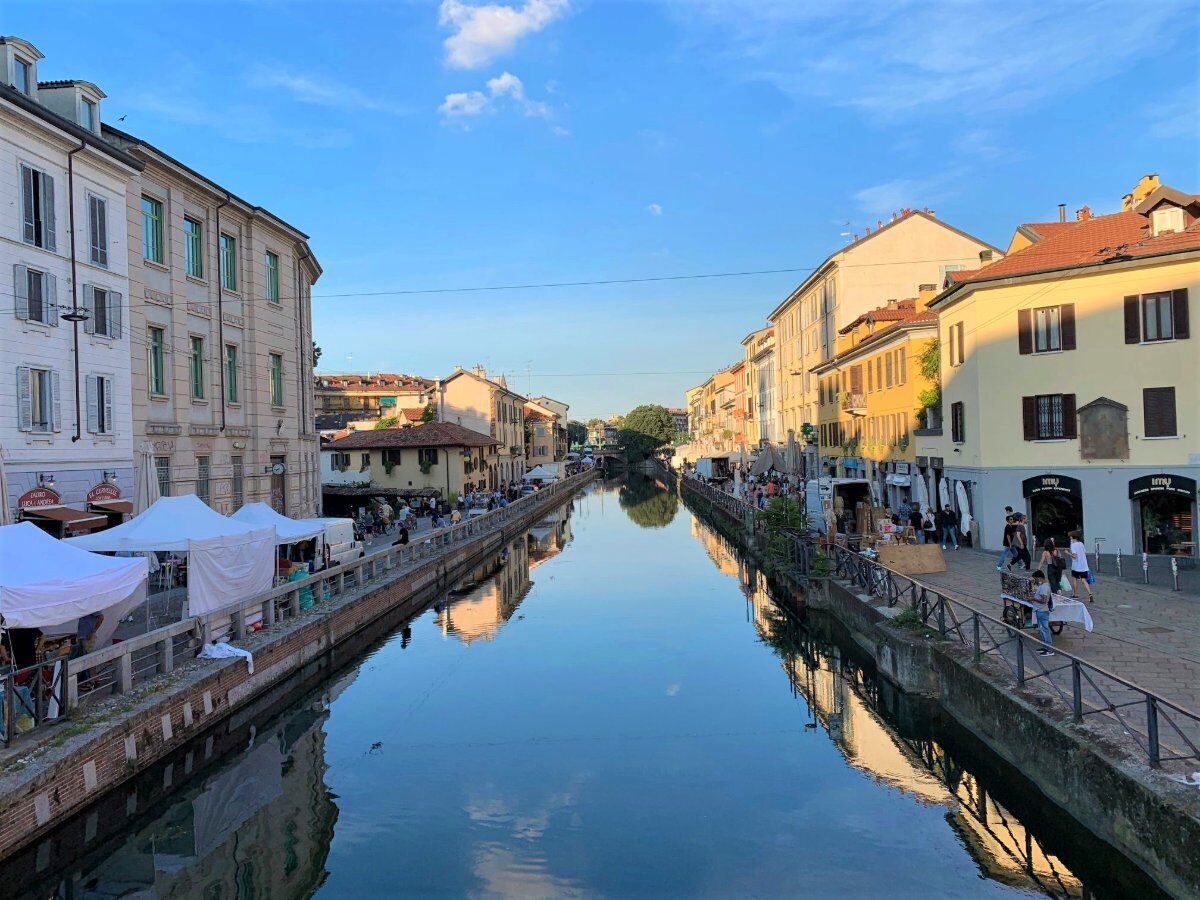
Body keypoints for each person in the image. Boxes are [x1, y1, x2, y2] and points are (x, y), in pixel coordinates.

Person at [1029, 570, 1054, 655]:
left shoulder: (1044, 587)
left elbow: (1043, 600)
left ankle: (1049, 649)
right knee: (1042, 629)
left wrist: (1033, 599)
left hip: (1042, 611)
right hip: (1040, 610)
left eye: (1035, 579)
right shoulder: (1043, 586)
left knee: (1044, 629)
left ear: (1039, 578)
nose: (1035, 581)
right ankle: (1045, 646)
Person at [1068, 530, 1094, 601]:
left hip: (1076, 566)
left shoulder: (1073, 545)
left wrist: (1068, 553)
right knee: (1084, 580)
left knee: (1074, 579)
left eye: (1070, 536)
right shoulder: (1081, 544)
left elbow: (1074, 556)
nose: (1070, 537)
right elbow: (1083, 552)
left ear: (1072, 537)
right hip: (1084, 566)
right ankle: (1090, 594)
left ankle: (1076, 594)